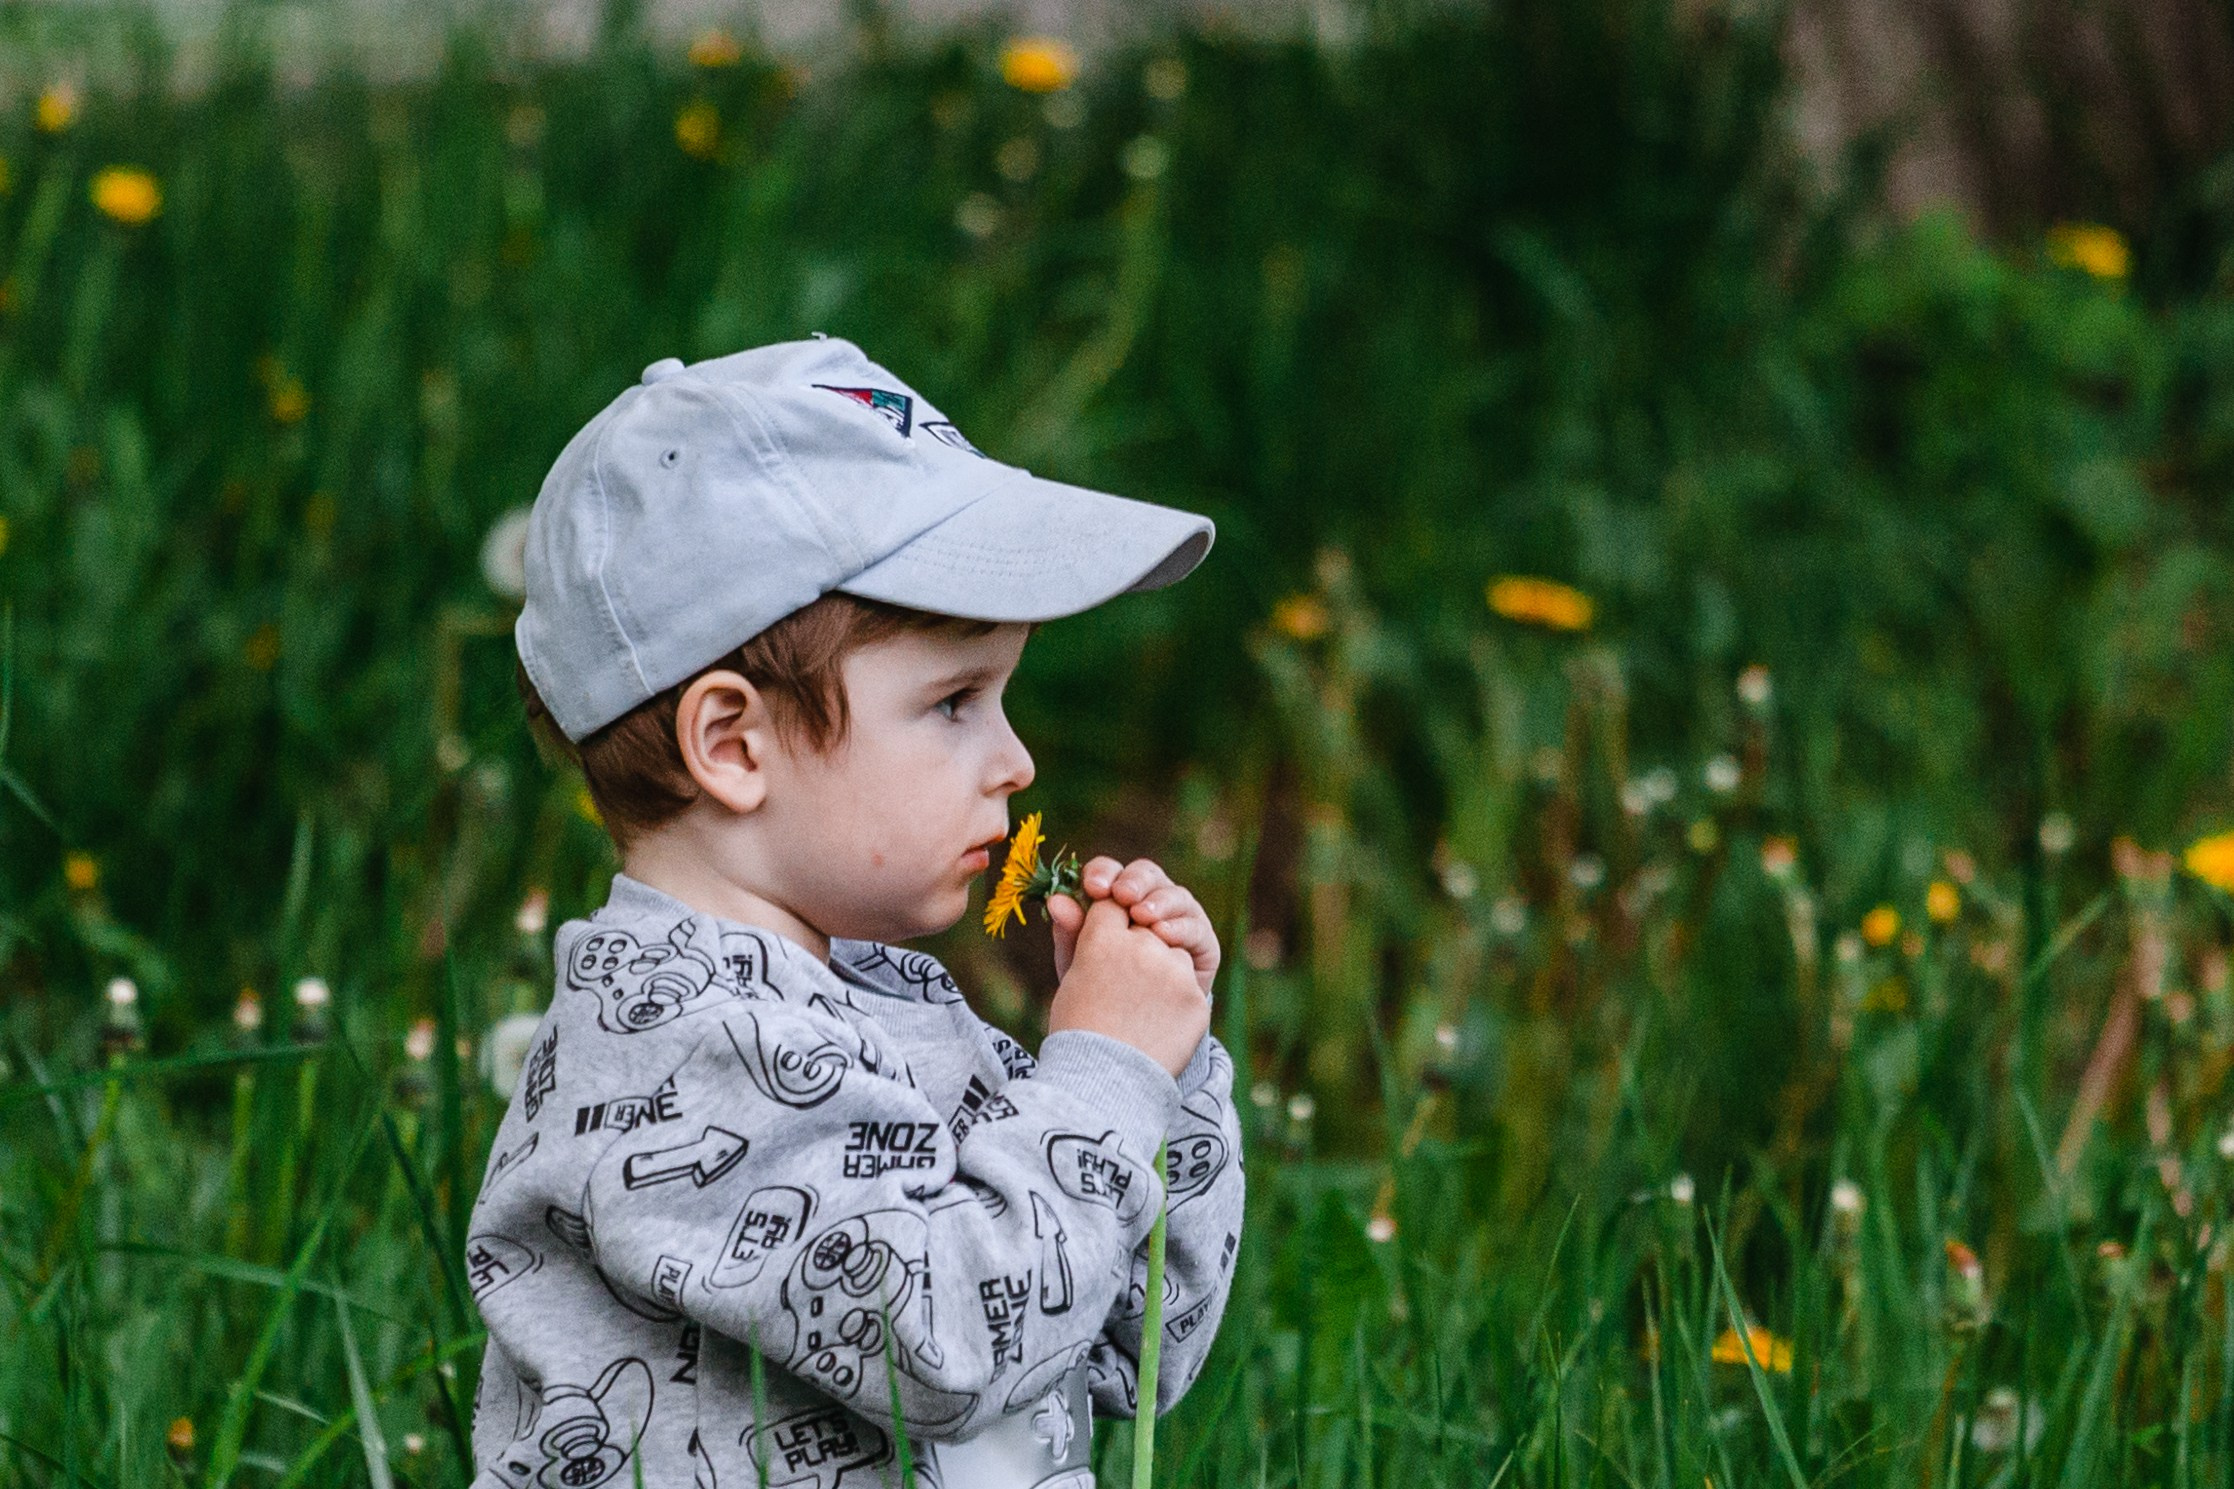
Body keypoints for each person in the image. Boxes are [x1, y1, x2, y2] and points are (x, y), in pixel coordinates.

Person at [463, 336, 1244, 1489]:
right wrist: (1102, 1071)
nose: (1016, 761)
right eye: (952, 703)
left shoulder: (893, 1002)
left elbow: (1125, 1357)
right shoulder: (678, 1045)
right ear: (732, 744)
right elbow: (947, 1349)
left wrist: (1164, 1074)